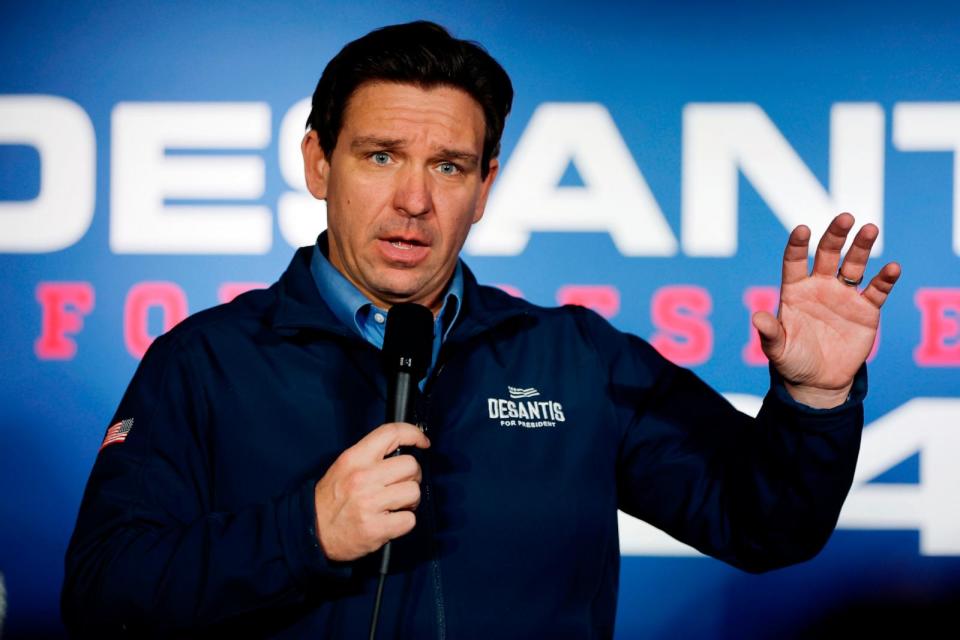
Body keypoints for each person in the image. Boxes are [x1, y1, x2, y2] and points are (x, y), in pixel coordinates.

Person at [62, 21, 901, 639]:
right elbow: (103, 595)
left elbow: (763, 526)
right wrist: (304, 532)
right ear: (319, 163)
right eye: (381, 156)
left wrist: (814, 401)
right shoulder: (206, 360)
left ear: (486, 183)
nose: (415, 201)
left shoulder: (574, 357)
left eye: (449, 166)